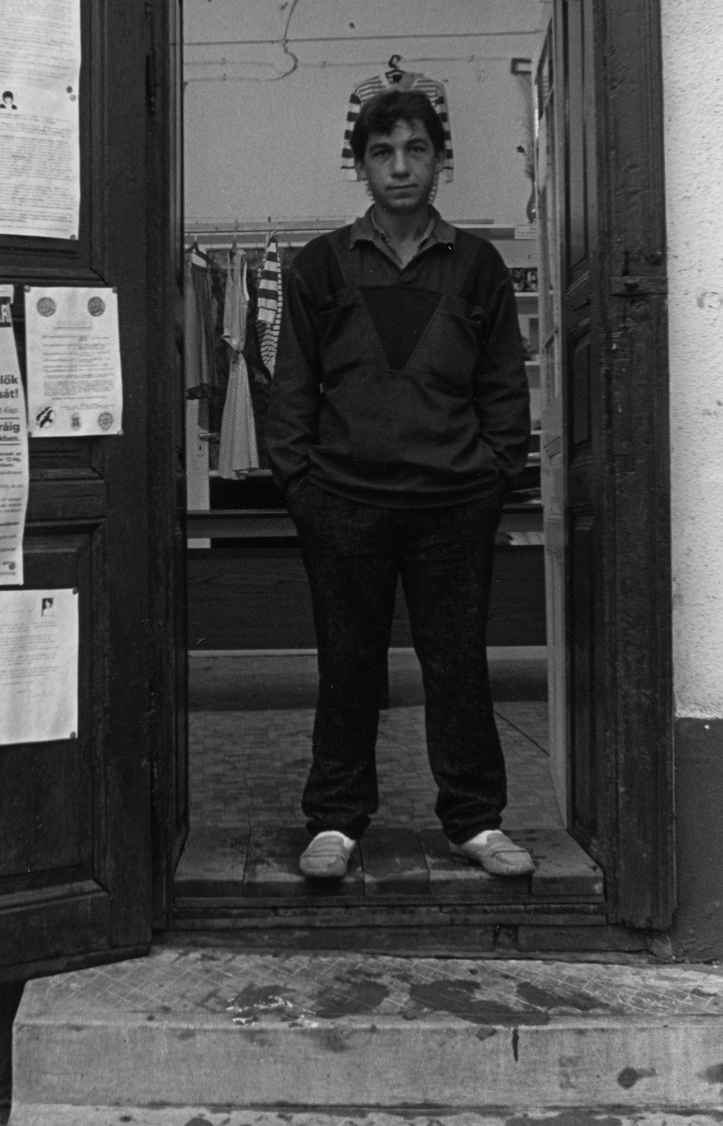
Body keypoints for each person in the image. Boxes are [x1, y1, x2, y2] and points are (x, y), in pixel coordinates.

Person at [267, 86, 535, 880]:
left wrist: (493, 476)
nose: (400, 167)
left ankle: (475, 821)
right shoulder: (320, 264)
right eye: (382, 152)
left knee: (458, 663)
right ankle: (335, 820)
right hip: (344, 502)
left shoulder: (478, 265)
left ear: (440, 160)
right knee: (346, 662)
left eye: (416, 149)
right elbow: (291, 389)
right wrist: (303, 487)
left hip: (454, 504)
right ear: (360, 166)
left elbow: (503, 387)